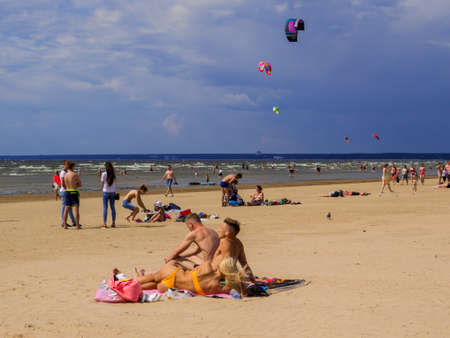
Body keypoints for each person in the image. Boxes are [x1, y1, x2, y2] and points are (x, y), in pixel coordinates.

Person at [135, 257, 245, 296]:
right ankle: (132, 287)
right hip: (169, 287)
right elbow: (241, 289)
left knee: (153, 276)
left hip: (173, 274)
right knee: (155, 285)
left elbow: (194, 268)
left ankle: (127, 281)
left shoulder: (208, 267)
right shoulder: (218, 287)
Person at [212, 218, 255, 282]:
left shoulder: (224, 242)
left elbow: (227, 264)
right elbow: (243, 262)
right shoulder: (238, 243)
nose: (219, 230)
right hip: (229, 274)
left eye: (221, 229)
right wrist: (251, 276)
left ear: (227, 233)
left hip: (218, 275)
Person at [62, 161, 82, 229]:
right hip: (73, 191)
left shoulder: (65, 175)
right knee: (75, 209)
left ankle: (64, 225)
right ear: (72, 167)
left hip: (67, 191)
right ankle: (77, 225)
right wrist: (75, 184)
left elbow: (63, 185)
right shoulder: (74, 174)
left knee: (66, 209)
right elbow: (80, 184)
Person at [59, 160, 76, 227]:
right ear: (64, 165)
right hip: (64, 191)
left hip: (67, 191)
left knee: (69, 208)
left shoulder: (66, 172)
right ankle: (63, 222)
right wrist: (67, 190)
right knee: (64, 207)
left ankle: (74, 221)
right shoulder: (63, 172)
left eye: (68, 165)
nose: (68, 166)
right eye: (66, 165)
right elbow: (63, 183)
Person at [101, 162, 117, 229]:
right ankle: (113, 223)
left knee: (105, 208)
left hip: (105, 191)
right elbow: (115, 183)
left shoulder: (104, 174)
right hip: (112, 192)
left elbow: (102, 183)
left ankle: (104, 223)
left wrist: (102, 190)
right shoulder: (113, 174)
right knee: (112, 207)